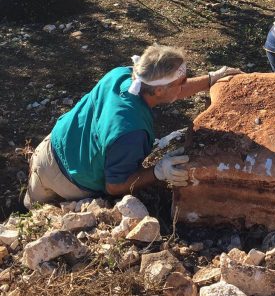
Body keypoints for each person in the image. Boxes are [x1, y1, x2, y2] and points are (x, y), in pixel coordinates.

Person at [24, 44, 240, 208]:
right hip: (70, 180)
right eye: (181, 82)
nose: (185, 84)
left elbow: (171, 90)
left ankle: (26, 202)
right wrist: (158, 171)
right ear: (158, 91)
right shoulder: (131, 131)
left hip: (51, 147)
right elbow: (115, 186)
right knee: (37, 213)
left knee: (30, 201)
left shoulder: (122, 75)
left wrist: (211, 79)